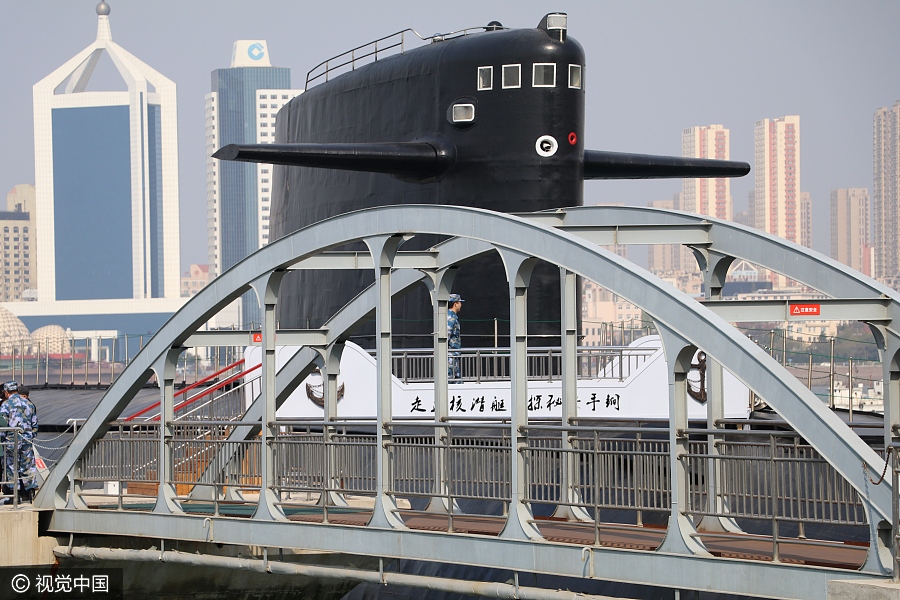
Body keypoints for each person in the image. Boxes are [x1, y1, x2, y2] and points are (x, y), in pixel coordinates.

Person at [0, 381, 38, 502]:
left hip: (11, 442)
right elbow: (35, 425)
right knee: (28, 466)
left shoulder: (6, 405)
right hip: (27, 440)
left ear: (6, 392)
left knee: (12, 467)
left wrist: (3, 439)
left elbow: (3, 425)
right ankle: (30, 493)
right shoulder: (29, 404)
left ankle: (14, 497)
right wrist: (30, 437)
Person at [447, 294, 464, 381]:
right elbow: (447, 334)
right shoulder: (451, 318)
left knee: (456, 380)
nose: (461, 305)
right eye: (460, 302)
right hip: (450, 355)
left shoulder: (450, 316)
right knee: (450, 380)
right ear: (455, 304)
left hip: (453, 355)